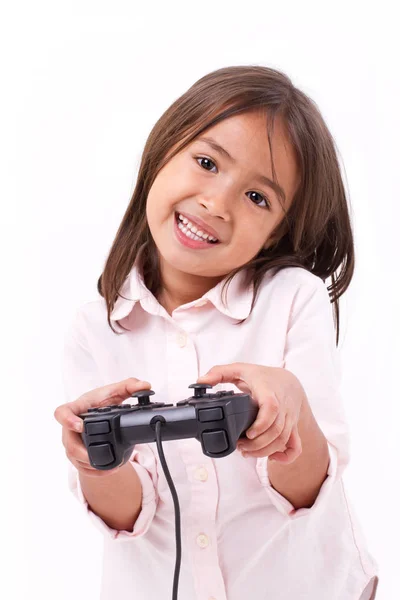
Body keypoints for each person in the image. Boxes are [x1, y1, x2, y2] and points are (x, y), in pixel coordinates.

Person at [55, 65, 379, 600]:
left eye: (258, 198)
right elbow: (126, 514)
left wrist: (290, 413)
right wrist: (96, 459)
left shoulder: (293, 298)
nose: (216, 203)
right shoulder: (95, 328)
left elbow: (308, 492)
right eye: (206, 163)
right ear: (162, 151)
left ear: (279, 230)